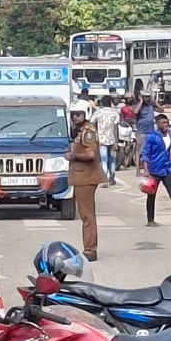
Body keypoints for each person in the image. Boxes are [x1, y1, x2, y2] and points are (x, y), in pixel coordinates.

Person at [67, 108, 107, 262]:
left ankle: (90, 250)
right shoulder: (81, 130)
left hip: (86, 177)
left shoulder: (88, 132)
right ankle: (89, 248)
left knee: (87, 216)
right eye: (73, 114)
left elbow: (91, 154)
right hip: (82, 177)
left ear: (86, 115)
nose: (75, 117)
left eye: (79, 114)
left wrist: (73, 155)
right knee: (86, 215)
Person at [141, 114, 171, 228]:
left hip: (167, 168)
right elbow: (145, 154)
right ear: (157, 124)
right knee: (151, 194)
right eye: (163, 123)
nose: (166, 125)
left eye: (167, 122)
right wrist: (146, 170)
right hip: (154, 169)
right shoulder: (152, 137)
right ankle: (150, 220)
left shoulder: (169, 135)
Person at [90, 95, 120, 187]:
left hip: (101, 140)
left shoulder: (98, 113)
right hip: (112, 139)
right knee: (112, 160)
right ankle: (112, 178)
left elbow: (91, 124)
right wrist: (116, 142)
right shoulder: (115, 113)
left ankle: (104, 179)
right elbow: (116, 128)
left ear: (102, 103)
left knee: (104, 160)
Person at [133, 90, 163, 175]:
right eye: (145, 97)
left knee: (148, 151)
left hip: (150, 131)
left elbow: (161, 110)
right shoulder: (138, 106)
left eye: (148, 97)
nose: (147, 99)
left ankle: (147, 169)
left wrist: (154, 101)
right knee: (139, 151)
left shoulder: (151, 106)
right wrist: (141, 101)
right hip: (141, 132)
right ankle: (138, 169)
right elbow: (135, 112)